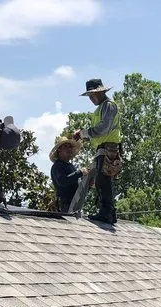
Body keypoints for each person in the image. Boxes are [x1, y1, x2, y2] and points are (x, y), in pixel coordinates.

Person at [72, 78, 122, 224]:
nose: (91, 99)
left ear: (100, 92)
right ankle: (108, 212)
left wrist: (83, 133)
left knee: (103, 179)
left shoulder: (109, 105)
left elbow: (103, 128)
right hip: (103, 147)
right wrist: (84, 134)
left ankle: (107, 212)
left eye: (92, 95)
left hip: (108, 147)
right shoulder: (101, 108)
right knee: (101, 180)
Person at [49, 136, 88, 212]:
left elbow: (77, 185)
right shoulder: (57, 166)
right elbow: (62, 181)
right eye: (66, 146)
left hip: (76, 204)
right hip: (65, 205)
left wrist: (88, 184)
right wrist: (79, 172)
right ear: (59, 149)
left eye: (70, 147)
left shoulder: (71, 166)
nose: (69, 149)